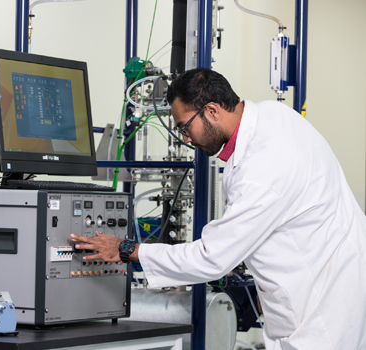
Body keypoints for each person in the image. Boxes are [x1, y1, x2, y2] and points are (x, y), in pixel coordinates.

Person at [71, 68, 366, 350]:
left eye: (185, 127)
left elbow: (212, 258)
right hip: (326, 277)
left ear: (212, 110)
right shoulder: (273, 115)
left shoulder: (264, 167)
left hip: (321, 310)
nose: (186, 139)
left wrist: (128, 250)